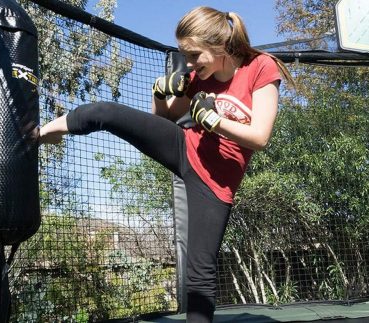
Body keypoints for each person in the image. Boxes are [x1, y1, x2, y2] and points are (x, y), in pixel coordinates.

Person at [39, 6, 294, 322]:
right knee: (105, 112)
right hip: (184, 147)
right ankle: (42, 133)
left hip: (215, 183)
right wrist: (159, 92)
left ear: (219, 47)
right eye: (184, 55)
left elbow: (259, 137)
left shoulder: (260, 67)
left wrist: (213, 121)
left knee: (201, 271)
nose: (188, 63)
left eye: (194, 55)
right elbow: (164, 119)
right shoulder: (198, 76)